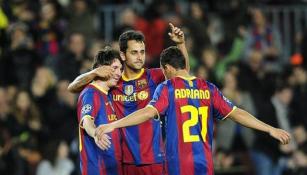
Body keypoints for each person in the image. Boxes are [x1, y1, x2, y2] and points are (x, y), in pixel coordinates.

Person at [96, 46, 291, 175]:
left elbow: (147, 113)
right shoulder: (208, 87)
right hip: (204, 162)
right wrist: (269, 129)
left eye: (164, 71)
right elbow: (237, 113)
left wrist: (113, 124)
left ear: (168, 68)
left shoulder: (168, 88)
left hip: (179, 164)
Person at [68, 23, 188, 175]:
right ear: (123, 55)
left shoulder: (153, 77)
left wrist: (181, 44)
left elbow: (182, 75)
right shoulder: (113, 81)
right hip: (123, 163)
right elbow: (73, 87)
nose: (140, 57)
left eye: (142, 52)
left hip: (153, 159)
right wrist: (94, 73)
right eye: (134, 52)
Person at [77, 47, 123, 175]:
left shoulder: (109, 94)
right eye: (115, 68)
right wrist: (96, 133)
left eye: (120, 69)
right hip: (97, 169)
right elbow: (87, 121)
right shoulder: (91, 93)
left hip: (113, 169)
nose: (119, 73)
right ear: (101, 69)